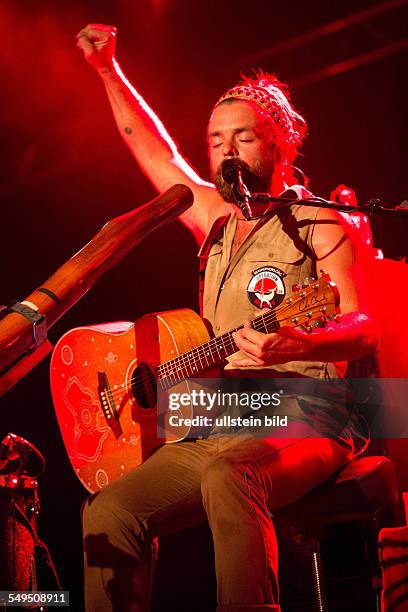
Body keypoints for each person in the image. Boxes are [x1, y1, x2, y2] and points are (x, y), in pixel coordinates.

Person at [76, 24, 378, 612]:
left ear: (282, 144)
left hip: (313, 409)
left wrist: (291, 346)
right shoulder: (210, 217)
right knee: (108, 509)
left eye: (244, 137)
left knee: (230, 476)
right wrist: (108, 71)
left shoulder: (320, 224)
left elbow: (364, 326)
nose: (228, 151)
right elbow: (151, 147)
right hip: (224, 414)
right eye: (216, 141)